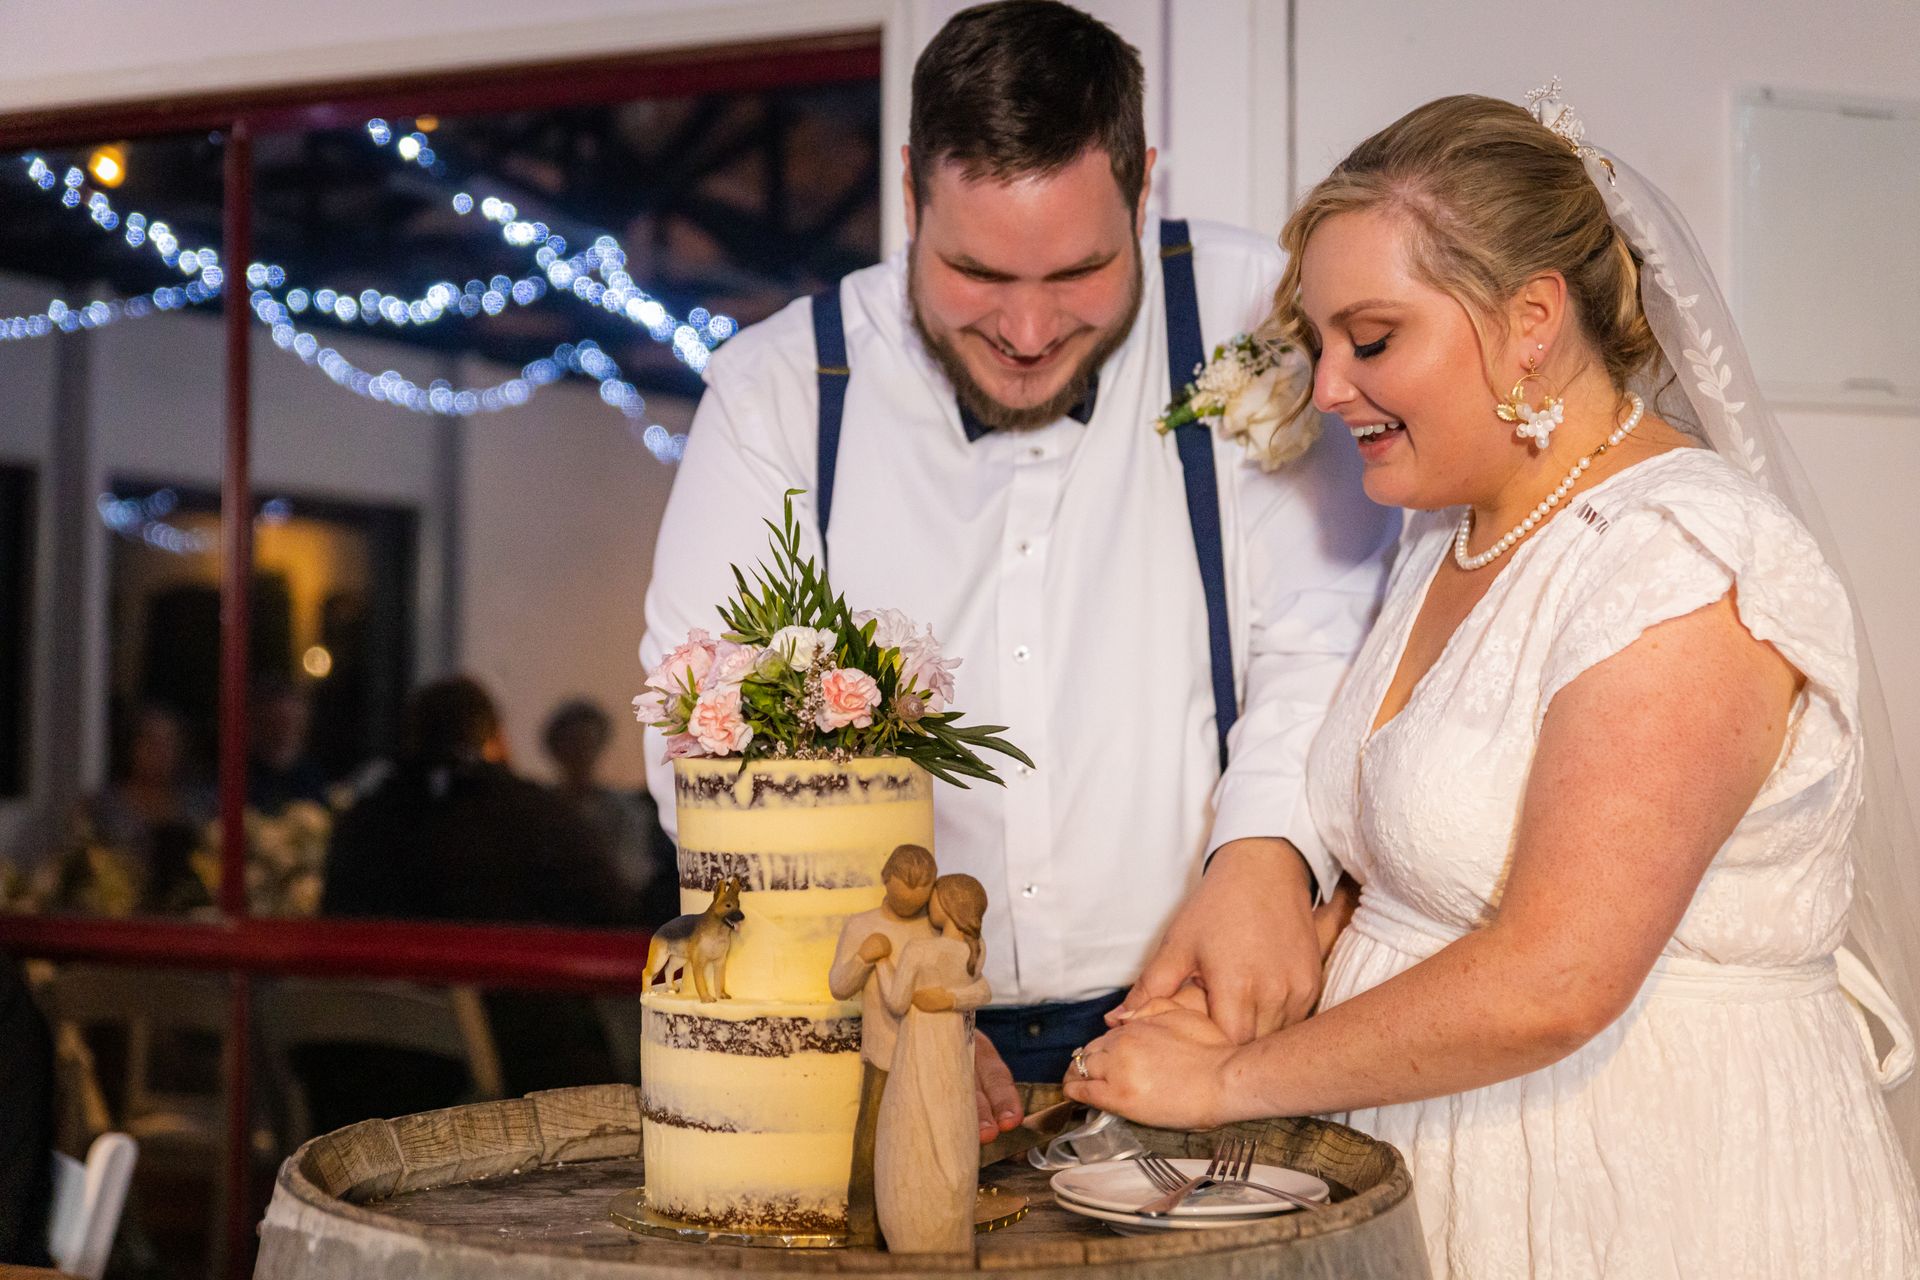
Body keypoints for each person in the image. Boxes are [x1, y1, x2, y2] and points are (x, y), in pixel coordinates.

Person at [1067, 91, 1920, 1277]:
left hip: (1644, 1188)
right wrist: (1279, 968)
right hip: (1439, 1157)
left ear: (1531, 320)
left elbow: (1556, 979)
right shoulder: (1455, 532)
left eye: (1371, 340)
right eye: (1319, 344)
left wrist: (1226, 1079)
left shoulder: (1683, 561)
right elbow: (1425, 852)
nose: (1325, 390)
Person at [639, 0, 1394, 1145]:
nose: (1033, 330)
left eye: (1083, 269)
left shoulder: (1265, 320)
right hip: (874, 1014)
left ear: (1143, 184)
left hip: (1204, 1019)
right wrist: (877, 969)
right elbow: (701, 727)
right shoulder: (783, 391)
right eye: (979, 273)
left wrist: (1269, 852)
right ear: (908, 194)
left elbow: (1328, 631)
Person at [323, 676, 630, 1104]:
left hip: (375, 1082)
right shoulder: (535, 816)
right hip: (526, 1078)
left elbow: (335, 930)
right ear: (494, 736)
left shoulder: (364, 822)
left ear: (410, 736)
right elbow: (617, 914)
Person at [873, 873, 993, 1253]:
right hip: (955, 1050)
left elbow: (895, 1001)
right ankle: (951, 1232)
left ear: (946, 904)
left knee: (912, 1128)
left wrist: (879, 962)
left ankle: (915, 1235)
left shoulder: (919, 951)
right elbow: (983, 990)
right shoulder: (977, 949)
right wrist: (953, 998)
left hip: (920, 1046)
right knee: (953, 1127)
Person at [827, 843, 939, 1246]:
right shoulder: (862, 925)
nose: (912, 902)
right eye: (903, 891)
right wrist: (863, 957)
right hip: (884, 1053)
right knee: (871, 1143)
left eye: (922, 894)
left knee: (925, 1142)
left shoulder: (935, 926)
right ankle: (861, 1227)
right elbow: (839, 986)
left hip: (929, 1055)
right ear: (886, 879)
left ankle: (921, 1223)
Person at [541, 698, 676, 923]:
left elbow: (633, 872)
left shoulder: (626, 812)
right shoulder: (541, 810)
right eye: (573, 743)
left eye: (586, 743)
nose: (580, 753)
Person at [246, 674, 329, 817]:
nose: (283, 731)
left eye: (289, 721)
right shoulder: (243, 778)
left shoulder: (314, 777)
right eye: (276, 722)